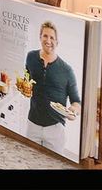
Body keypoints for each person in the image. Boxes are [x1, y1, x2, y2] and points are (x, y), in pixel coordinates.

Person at [24, 21, 81, 152]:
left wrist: (72, 111)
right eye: (45, 36)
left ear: (57, 42)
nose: (48, 40)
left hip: (55, 129)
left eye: (52, 38)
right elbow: (26, 79)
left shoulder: (67, 70)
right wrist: (24, 87)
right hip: (32, 124)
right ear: (40, 37)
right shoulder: (30, 57)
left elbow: (76, 101)